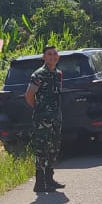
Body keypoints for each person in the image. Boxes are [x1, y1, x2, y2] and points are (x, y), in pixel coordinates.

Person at [25, 46, 64, 192]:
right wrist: (40, 110)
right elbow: (28, 96)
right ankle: (40, 182)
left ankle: (49, 179)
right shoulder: (39, 74)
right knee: (42, 150)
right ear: (44, 57)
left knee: (54, 148)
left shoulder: (58, 74)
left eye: (55, 54)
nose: (53, 56)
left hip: (56, 118)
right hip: (42, 120)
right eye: (49, 54)